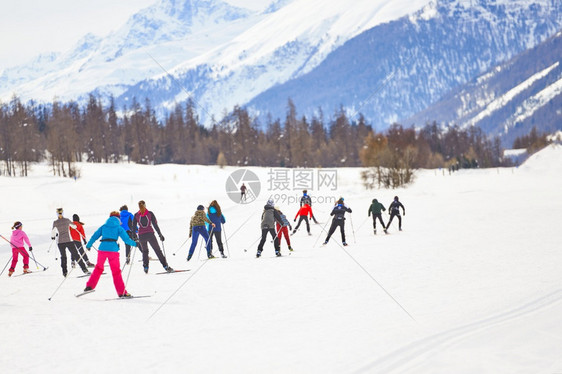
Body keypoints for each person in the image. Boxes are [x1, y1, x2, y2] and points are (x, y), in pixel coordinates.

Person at [83, 211, 140, 298]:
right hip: (113, 250)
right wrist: (135, 244)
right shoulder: (119, 228)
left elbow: (94, 236)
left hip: (102, 250)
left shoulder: (104, 226)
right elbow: (126, 240)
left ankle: (89, 286)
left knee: (98, 268)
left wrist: (89, 245)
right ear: (118, 218)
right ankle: (122, 292)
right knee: (116, 272)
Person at [132, 200, 173, 273]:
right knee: (157, 250)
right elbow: (155, 225)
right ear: (145, 205)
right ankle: (165, 266)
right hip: (150, 235)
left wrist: (134, 236)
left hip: (141, 236)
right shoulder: (150, 214)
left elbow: (133, 227)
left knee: (145, 251)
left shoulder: (136, 215)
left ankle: (146, 267)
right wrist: (160, 234)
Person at [52, 208, 90, 277]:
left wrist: (53, 237)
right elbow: (74, 226)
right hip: (68, 240)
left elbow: (53, 232)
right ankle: (84, 269)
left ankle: (64, 272)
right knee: (76, 254)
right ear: (63, 213)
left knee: (63, 257)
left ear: (57, 214)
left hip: (60, 242)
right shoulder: (67, 220)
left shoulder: (55, 222)